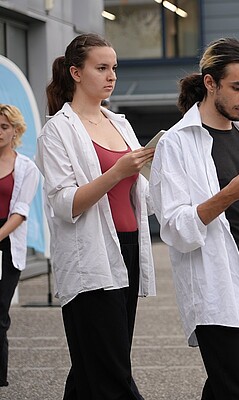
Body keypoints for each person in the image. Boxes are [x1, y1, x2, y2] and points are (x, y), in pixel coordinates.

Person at [149, 38, 239, 400]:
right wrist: (228, 194)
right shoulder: (176, 143)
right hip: (214, 282)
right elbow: (174, 227)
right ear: (210, 82)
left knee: (222, 387)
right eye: (237, 87)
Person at [36, 33, 156, 399]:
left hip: (130, 246)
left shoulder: (120, 123)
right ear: (75, 72)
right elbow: (64, 203)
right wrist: (116, 172)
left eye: (114, 68)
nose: (111, 76)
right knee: (111, 369)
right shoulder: (57, 130)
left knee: (95, 367)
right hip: (90, 255)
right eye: (101, 67)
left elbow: (142, 191)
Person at [0, 104, 40, 387]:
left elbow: (21, 211)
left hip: (6, 246)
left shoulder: (26, 167)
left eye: (4, 126)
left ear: (15, 130)